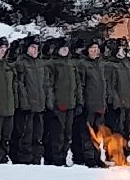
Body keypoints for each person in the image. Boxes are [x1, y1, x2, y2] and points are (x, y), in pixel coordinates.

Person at [13, 37, 48, 165]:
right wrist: (24, 103)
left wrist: (45, 102)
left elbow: (45, 84)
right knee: (26, 135)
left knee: (38, 134)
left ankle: (36, 158)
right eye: (32, 47)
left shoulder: (40, 63)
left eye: (37, 48)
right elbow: (19, 85)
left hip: (39, 105)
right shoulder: (21, 64)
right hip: (27, 106)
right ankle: (25, 159)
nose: (35, 50)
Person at [45, 40, 79, 167]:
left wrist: (78, 101)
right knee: (57, 133)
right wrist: (52, 103)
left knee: (67, 133)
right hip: (58, 105)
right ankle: (56, 158)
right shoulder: (52, 65)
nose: (65, 50)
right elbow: (49, 86)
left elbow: (77, 85)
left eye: (66, 48)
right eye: (62, 48)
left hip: (70, 103)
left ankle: (63, 156)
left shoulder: (71, 65)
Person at [76, 38, 109, 167]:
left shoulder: (101, 64)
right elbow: (81, 86)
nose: (94, 51)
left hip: (100, 104)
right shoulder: (83, 65)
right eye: (92, 49)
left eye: (96, 49)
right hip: (89, 104)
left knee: (99, 132)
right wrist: (82, 102)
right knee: (88, 133)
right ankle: (89, 157)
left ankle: (97, 156)